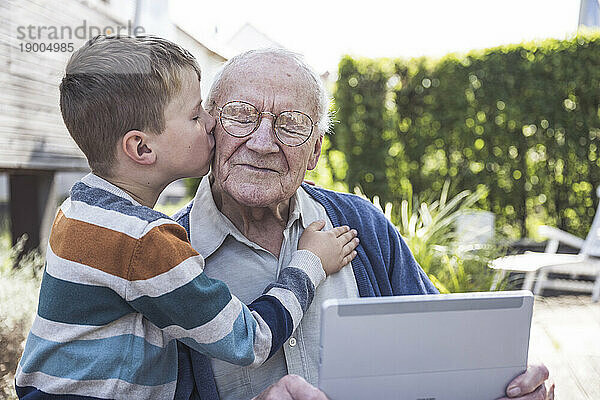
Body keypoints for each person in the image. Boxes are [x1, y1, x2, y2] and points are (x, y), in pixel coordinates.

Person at [174, 48, 555, 400]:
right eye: (240, 115)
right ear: (210, 129)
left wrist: (507, 387)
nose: (262, 143)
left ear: (316, 152)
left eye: (291, 126)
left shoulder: (363, 224)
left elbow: (445, 361)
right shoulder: (162, 258)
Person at [14, 36, 360, 400]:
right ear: (142, 148)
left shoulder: (79, 210)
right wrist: (310, 263)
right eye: (196, 115)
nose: (212, 124)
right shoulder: (145, 243)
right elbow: (249, 340)